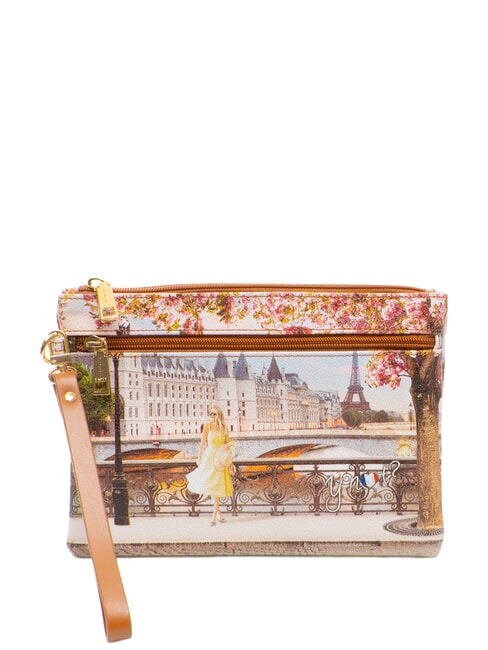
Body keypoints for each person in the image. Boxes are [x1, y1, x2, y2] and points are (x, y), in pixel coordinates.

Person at [186, 405, 234, 526]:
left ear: (219, 415)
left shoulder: (224, 427)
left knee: (217, 484)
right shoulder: (207, 426)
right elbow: (202, 443)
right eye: (210, 414)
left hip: (220, 458)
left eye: (214, 414)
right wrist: (199, 457)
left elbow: (227, 445)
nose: (212, 416)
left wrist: (229, 461)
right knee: (212, 484)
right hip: (209, 458)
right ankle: (216, 513)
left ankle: (216, 513)